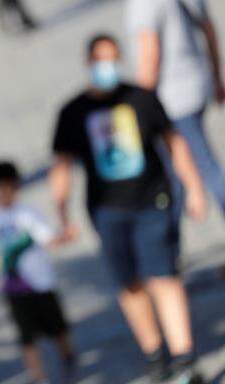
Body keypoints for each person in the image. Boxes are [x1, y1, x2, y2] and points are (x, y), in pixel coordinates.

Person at [50, 34, 207, 383]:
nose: (108, 67)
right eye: (101, 60)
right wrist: (61, 213)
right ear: (88, 63)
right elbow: (61, 166)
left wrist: (194, 188)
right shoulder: (73, 112)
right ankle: (155, 354)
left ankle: (184, 357)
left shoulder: (141, 99)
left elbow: (174, 143)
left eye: (114, 59)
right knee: (130, 284)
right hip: (107, 210)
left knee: (164, 276)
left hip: (153, 200)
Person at [126, 0, 225, 223]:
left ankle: (168, 241)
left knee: (198, 165)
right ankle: (170, 240)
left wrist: (140, 106)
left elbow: (150, 56)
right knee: (183, 168)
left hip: (171, 98)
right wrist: (217, 76)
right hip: (197, 83)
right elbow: (209, 31)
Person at [0, 162, 75, 383]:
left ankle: (67, 356)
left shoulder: (29, 213)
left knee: (57, 327)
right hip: (15, 288)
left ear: (16, 188)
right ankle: (38, 376)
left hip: (41, 283)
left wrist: (64, 236)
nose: (4, 195)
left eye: (9, 189)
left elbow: (48, 239)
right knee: (26, 336)